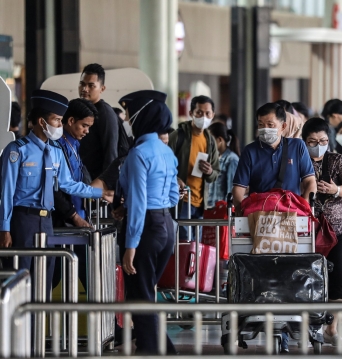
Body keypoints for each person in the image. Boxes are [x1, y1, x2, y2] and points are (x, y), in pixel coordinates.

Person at [0, 90, 112, 294]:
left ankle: (38, 325)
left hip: (47, 221)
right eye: (57, 120)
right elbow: (5, 192)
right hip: (22, 220)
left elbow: (68, 184)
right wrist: (4, 228)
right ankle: (17, 326)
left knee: (44, 280)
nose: (60, 126)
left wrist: (100, 194)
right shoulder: (18, 150)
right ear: (42, 121)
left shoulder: (56, 151)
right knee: (19, 281)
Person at [117, 90, 179, 354]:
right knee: (145, 295)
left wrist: (131, 245)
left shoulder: (138, 153)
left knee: (141, 298)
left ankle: (153, 352)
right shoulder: (167, 152)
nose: (127, 119)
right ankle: (163, 350)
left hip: (145, 229)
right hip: (167, 225)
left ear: (141, 117)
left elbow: (139, 203)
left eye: (129, 114)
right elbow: (175, 193)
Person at [302, 117, 342, 347]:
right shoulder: (297, 160)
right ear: (304, 141)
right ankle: (303, 327)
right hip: (304, 231)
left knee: (339, 279)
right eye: (312, 141)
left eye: (323, 140)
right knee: (302, 279)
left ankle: (331, 329)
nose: (318, 145)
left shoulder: (337, 160)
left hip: (335, 231)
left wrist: (335, 189)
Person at [232, 102, 316, 210]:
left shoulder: (297, 146)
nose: (265, 129)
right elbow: (238, 188)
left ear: (283, 126)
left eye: (270, 125)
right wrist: (242, 212)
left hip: (292, 213)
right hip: (260, 215)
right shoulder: (250, 151)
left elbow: (310, 181)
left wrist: (303, 207)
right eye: (261, 124)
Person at [168, 95, 220, 241]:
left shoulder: (210, 141)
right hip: (182, 200)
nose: (203, 117)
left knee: (196, 245)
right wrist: (176, 179)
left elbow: (215, 172)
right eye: (199, 113)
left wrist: (209, 171)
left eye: (207, 113)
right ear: (191, 113)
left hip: (202, 202)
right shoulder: (178, 136)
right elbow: (164, 164)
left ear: (213, 115)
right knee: (184, 242)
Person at [52, 98, 98, 228]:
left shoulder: (75, 144)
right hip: (65, 217)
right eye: (84, 126)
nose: (87, 131)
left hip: (79, 212)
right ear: (71, 121)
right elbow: (56, 187)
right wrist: (73, 216)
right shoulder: (57, 146)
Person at [78, 63, 120, 179]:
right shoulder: (79, 109)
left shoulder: (105, 114)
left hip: (95, 184)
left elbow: (111, 155)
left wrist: (104, 187)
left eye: (91, 86)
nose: (85, 89)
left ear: (102, 89)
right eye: (82, 84)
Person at [207, 122, 240, 208]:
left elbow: (231, 190)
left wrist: (227, 208)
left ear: (219, 140)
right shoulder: (215, 158)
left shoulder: (232, 159)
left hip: (223, 209)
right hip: (212, 207)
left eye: (210, 140)